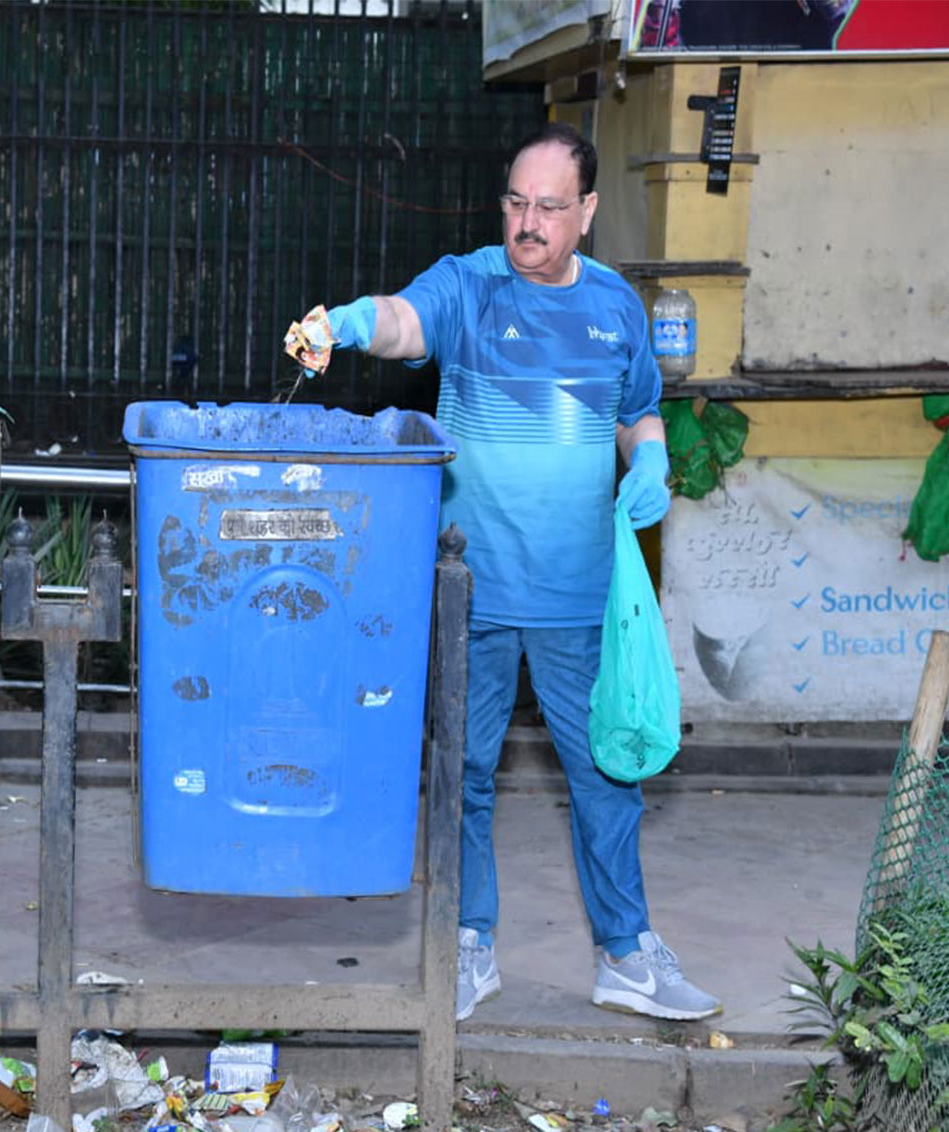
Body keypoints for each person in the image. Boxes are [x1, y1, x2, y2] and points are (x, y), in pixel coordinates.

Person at [295, 122, 720, 1023]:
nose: (528, 224)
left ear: (588, 212)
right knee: (463, 773)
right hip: (471, 590)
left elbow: (639, 412)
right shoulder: (470, 284)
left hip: (577, 597)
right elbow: (405, 319)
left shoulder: (615, 308)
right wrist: (349, 322)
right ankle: (466, 943)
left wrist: (650, 461)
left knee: (609, 773)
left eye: (549, 208)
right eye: (516, 203)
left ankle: (626, 954)